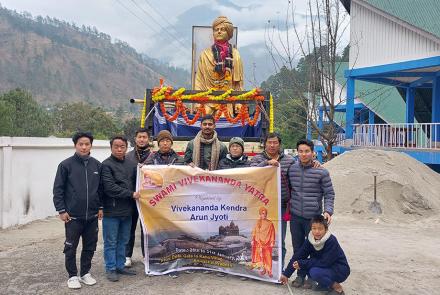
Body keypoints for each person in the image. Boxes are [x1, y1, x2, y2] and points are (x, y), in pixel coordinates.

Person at [53, 131, 102, 289]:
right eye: (80, 144)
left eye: (87, 144)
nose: (84, 147)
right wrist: (61, 210)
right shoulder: (65, 165)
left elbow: (101, 189)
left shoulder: (97, 165)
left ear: (91, 146)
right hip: (72, 216)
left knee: (90, 246)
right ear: (75, 145)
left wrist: (101, 207)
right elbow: (58, 189)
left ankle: (85, 273)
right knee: (70, 247)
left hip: (92, 216)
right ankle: (72, 275)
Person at [287, 139, 335, 289]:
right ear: (297, 152)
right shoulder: (292, 169)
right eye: (300, 151)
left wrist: (328, 211)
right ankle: (300, 276)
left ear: (313, 152)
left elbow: (329, 194)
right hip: (295, 216)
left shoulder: (321, 171)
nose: (304, 154)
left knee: (315, 249)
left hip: (313, 217)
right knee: (298, 248)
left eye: (307, 151)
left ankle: (311, 277)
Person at [250, 133, 294, 268]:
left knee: (279, 240)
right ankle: (259, 267)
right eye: (270, 142)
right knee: (258, 240)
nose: (272, 145)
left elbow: (296, 176)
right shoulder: (257, 159)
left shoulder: (289, 160)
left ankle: (278, 270)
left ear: (279, 144)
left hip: (280, 206)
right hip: (260, 206)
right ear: (265, 144)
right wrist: (266, 163)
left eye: (275, 142)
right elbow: (250, 173)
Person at [145, 130, 183, 278]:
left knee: (173, 235)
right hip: (156, 205)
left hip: (173, 204)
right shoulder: (150, 160)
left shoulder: (179, 160)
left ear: (171, 143)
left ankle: (173, 265)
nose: (165, 143)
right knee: (158, 233)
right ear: (158, 143)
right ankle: (156, 264)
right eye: (162, 141)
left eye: (168, 141)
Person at [280, 215, 349, 295]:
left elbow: (325, 262)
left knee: (314, 271)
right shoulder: (310, 240)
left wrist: (302, 263)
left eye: (320, 229)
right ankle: (325, 285)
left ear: (326, 230)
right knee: (311, 266)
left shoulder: (331, 240)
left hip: (340, 269)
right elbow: (298, 256)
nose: (317, 231)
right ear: (311, 228)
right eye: (314, 228)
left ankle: (338, 289)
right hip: (327, 267)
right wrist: (286, 274)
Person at [101, 136, 139, 282]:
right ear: (111, 147)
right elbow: (110, 188)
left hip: (128, 211)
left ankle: (120, 266)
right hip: (112, 210)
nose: (119, 149)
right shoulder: (106, 165)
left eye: (122, 146)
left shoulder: (131, 164)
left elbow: (138, 182)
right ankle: (110, 268)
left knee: (123, 240)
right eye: (116, 146)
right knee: (111, 241)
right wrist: (131, 194)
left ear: (126, 147)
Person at [195, 16, 244, 113]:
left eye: (222, 29)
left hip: (226, 100)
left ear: (228, 33)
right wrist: (198, 101)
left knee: (224, 120)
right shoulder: (205, 54)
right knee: (206, 121)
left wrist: (239, 102)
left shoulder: (235, 55)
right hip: (207, 99)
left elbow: (238, 83)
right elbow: (199, 80)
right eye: (216, 30)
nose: (219, 32)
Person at [125, 128, 151, 268]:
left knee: (146, 228)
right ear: (135, 139)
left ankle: (146, 255)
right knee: (129, 227)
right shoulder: (128, 156)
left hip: (147, 199)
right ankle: (127, 255)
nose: (142, 139)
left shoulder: (153, 156)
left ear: (149, 139)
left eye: (144, 137)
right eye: (139, 137)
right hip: (131, 198)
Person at [251, 207, 275, 278]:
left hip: (267, 243)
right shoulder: (257, 222)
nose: (264, 215)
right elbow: (254, 232)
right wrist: (253, 240)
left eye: (265, 214)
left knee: (267, 257)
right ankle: (264, 270)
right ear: (260, 214)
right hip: (258, 242)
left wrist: (272, 242)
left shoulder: (270, 223)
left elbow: (272, 233)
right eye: (262, 213)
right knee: (260, 257)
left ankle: (269, 271)